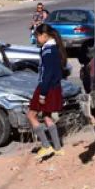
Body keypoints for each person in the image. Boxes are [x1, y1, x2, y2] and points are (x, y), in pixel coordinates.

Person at [28, 24, 64, 159]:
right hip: (54, 86)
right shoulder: (54, 48)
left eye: (37, 36)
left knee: (31, 115)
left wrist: (42, 93)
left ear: (44, 35)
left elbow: (46, 73)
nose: (36, 39)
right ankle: (58, 148)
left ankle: (46, 145)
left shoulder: (48, 51)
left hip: (46, 87)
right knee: (47, 116)